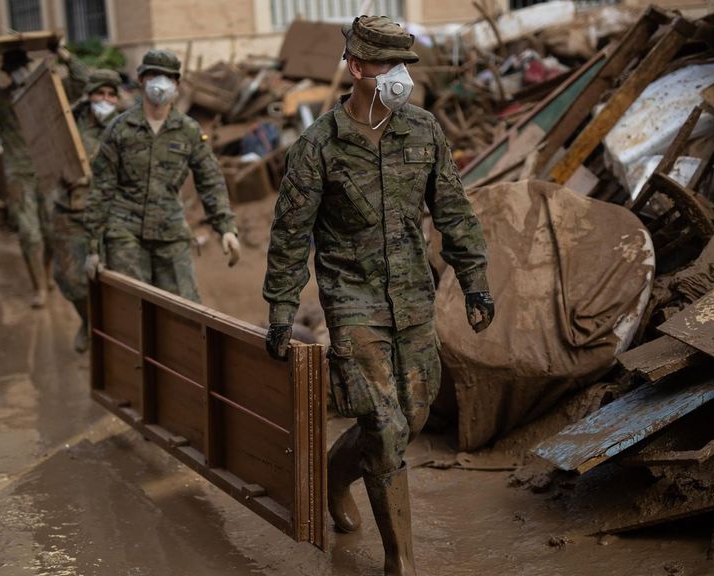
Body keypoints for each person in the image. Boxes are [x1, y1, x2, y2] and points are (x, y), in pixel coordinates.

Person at [262, 16, 495, 575]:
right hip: (353, 301)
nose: (399, 77)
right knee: (386, 428)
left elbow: (454, 212)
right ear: (358, 67)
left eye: (404, 66)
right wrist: (281, 310)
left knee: (410, 416)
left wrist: (475, 282)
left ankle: (332, 474)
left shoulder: (423, 130)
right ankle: (401, 562)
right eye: (388, 66)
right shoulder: (318, 146)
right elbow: (290, 235)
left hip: (413, 296)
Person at [84, 49, 240, 302]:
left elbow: (210, 179)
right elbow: (101, 188)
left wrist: (226, 228)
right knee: (130, 306)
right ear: (141, 79)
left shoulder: (188, 130)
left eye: (168, 77)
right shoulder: (120, 129)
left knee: (185, 307)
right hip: (125, 231)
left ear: (177, 84)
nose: (160, 83)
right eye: (154, 75)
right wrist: (93, 246)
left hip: (171, 229)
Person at [0, 42, 87, 307]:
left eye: (20, 68)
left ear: (28, 68)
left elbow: (82, 80)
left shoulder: (47, 92)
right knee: (29, 233)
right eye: (12, 69)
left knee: (51, 232)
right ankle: (38, 287)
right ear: (6, 72)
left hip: (48, 170)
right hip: (18, 173)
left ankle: (48, 275)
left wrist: (62, 53)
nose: (17, 73)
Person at [55, 68, 121, 352]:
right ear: (89, 95)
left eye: (110, 94)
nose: (105, 99)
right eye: (99, 93)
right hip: (72, 211)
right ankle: (88, 320)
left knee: (115, 278)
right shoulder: (68, 124)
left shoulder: (125, 126)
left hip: (112, 213)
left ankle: (115, 333)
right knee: (70, 279)